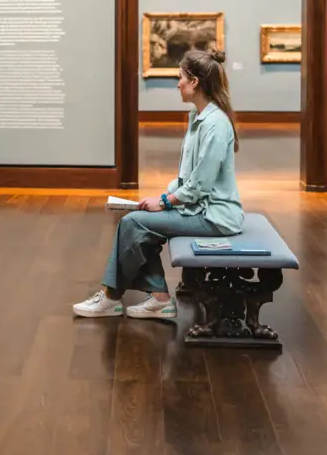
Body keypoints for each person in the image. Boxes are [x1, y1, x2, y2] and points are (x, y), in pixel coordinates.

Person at [73, 48, 245, 321]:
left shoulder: (215, 125)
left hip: (214, 216)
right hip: (198, 208)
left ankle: (112, 297)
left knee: (134, 223)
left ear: (195, 82)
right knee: (137, 222)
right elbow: (187, 177)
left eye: (181, 78)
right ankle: (156, 299)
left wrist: (165, 202)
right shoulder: (199, 118)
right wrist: (165, 195)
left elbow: (199, 185)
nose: (177, 84)